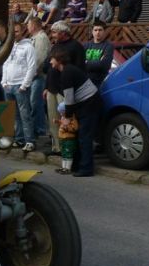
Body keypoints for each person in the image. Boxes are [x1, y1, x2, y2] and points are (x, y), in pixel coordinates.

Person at [50, 46, 102, 177]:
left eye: (52, 59)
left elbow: (69, 98)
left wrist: (67, 117)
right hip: (86, 103)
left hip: (90, 104)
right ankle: (77, 165)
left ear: (59, 60)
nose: (50, 61)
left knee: (85, 137)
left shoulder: (67, 72)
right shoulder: (67, 71)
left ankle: (86, 169)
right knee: (80, 135)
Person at [45, 21, 85, 155]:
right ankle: (57, 147)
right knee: (53, 119)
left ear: (63, 33)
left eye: (54, 32)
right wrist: (46, 87)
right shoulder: (55, 46)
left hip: (65, 90)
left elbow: (79, 70)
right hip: (51, 88)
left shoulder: (76, 47)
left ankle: (68, 148)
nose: (52, 35)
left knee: (66, 121)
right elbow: (49, 67)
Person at [1, 21, 37, 152]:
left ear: (22, 31)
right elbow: (4, 64)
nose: (14, 34)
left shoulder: (28, 47)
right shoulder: (8, 46)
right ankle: (19, 139)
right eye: (12, 32)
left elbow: (32, 67)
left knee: (25, 114)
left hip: (20, 85)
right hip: (8, 85)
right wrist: (3, 82)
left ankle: (29, 141)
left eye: (16, 31)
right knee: (14, 115)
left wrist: (25, 84)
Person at [26, 17, 50, 141]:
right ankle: (37, 128)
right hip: (34, 76)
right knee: (34, 102)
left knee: (36, 103)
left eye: (28, 25)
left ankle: (39, 129)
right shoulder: (34, 38)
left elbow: (40, 58)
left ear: (34, 26)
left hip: (38, 77)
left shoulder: (41, 38)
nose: (27, 28)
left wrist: (32, 74)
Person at [84, 23, 114, 87]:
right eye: (95, 30)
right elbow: (79, 63)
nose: (97, 32)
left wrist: (86, 62)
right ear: (92, 32)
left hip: (99, 82)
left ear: (104, 32)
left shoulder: (108, 46)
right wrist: (98, 62)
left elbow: (104, 65)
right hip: (85, 81)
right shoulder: (86, 45)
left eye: (100, 30)